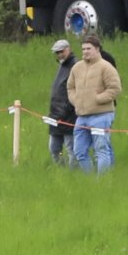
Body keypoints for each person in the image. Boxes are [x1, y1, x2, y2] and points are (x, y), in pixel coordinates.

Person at [67, 34, 121, 174]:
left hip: (101, 115)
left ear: (97, 49)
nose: (85, 52)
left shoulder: (106, 67)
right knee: (79, 151)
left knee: (101, 150)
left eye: (88, 49)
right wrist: (76, 100)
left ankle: (102, 182)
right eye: (83, 49)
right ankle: (90, 180)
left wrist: (98, 99)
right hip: (81, 116)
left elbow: (115, 89)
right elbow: (70, 87)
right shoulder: (77, 67)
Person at [47, 38, 76, 166]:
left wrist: (67, 108)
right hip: (55, 116)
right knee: (54, 149)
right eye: (57, 52)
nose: (59, 55)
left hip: (69, 116)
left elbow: (76, 91)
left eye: (61, 51)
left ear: (68, 49)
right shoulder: (62, 66)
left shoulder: (75, 65)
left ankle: (74, 173)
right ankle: (62, 171)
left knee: (71, 149)